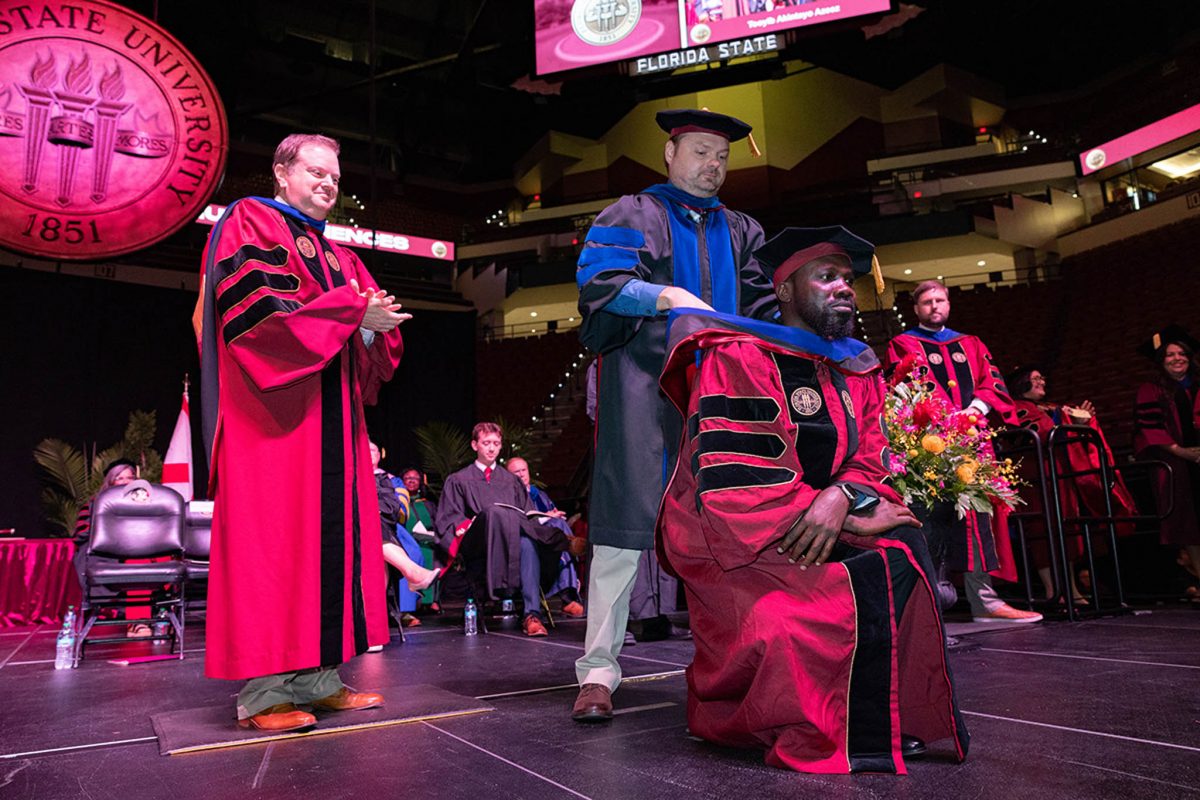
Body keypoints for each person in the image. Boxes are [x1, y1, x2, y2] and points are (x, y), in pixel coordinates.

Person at [655, 226, 968, 772]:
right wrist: (815, 508)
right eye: (826, 278)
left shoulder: (857, 365)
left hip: (821, 514)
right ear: (784, 291)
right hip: (746, 534)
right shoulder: (741, 356)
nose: (843, 288)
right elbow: (739, 476)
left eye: (847, 279)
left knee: (904, 544)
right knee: (836, 587)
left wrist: (841, 498)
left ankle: (886, 718)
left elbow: (871, 455)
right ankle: (827, 721)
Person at [196, 133, 410, 732]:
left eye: (335, 177)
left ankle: (318, 681)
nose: (327, 183)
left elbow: (371, 330)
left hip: (334, 426)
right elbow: (258, 316)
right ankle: (263, 696)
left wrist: (375, 327)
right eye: (315, 171)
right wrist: (350, 314)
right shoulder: (251, 222)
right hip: (274, 423)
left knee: (328, 551)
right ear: (281, 172)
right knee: (274, 551)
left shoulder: (339, 255)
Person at [572, 108, 778, 721]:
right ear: (670, 152)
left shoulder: (743, 230)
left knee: (730, 531)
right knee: (621, 531)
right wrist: (665, 295)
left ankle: (737, 664)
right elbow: (599, 283)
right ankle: (599, 674)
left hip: (723, 396)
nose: (712, 165)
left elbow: (766, 307)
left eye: (722, 156)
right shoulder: (631, 214)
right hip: (641, 389)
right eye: (700, 152)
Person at [885, 282, 1042, 624]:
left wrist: (973, 410)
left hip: (974, 437)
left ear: (949, 303)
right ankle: (929, 603)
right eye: (926, 302)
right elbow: (908, 385)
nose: (934, 306)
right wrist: (945, 419)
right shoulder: (904, 343)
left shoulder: (971, 343)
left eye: (940, 299)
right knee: (934, 518)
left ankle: (984, 601)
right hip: (929, 441)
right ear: (916, 309)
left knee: (978, 518)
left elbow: (993, 381)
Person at [434, 423, 577, 637]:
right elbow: (449, 517)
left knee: (528, 542)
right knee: (493, 513)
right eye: (486, 443)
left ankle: (532, 615)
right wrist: (470, 524)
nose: (491, 449)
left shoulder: (511, 481)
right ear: (475, 445)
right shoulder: (458, 480)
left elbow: (528, 513)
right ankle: (561, 539)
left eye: (496, 444)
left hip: (513, 542)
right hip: (480, 545)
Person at [1008, 367, 1137, 603]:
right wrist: (1067, 420)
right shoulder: (1014, 408)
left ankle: (1072, 589)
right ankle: (1052, 591)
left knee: (1066, 531)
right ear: (1021, 383)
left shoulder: (1052, 407)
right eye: (1035, 378)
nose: (1041, 381)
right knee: (1041, 532)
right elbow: (1040, 433)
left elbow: (1066, 433)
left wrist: (1080, 423)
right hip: (1035, 478)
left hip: (1061, 475)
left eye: (1041, 377)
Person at [1133, 326, 1200, 599]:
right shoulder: (1151, 389)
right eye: (1170, 354)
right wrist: (1183, 452)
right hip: (1178, 466)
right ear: (1162, 361)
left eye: (1181, 353)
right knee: (1190, 525)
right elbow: (1148, 427)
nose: (1177, 358)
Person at [505, 457, 585, 617]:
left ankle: (567, 543)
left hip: (551, 545)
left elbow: (552, 513)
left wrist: (554, 516)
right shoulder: (509, 496)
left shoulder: (539, 494)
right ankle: (568, 599)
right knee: (560, 533)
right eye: (516, 472)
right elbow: (514, 524)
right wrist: (546, 517)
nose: (521, 474)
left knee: (559, 526)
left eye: (523, 470)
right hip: (530, 544)